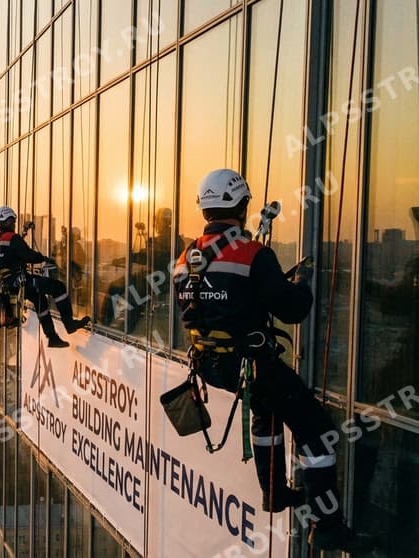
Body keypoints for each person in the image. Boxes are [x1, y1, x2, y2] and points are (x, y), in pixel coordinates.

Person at [172, 169, 372, 553]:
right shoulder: (253, 254)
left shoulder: (186, 257)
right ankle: (326, 524)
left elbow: (220, 303)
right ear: (242, 206)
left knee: (266, 416)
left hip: (214, 366)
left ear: (206, 210)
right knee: (319, 434)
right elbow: (292, 310)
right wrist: (302, 282)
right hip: (252, 365)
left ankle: (275, 493)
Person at [0, 206, 90, 347]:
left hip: (7, 284)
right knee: (58, 287)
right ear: (8, 220)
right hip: (20, 280)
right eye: (12, 222)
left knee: (40, 300)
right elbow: (28, 254)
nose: (13, 224)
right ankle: (69, 323)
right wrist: (43, 258)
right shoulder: (12, 238)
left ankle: (52, 337)